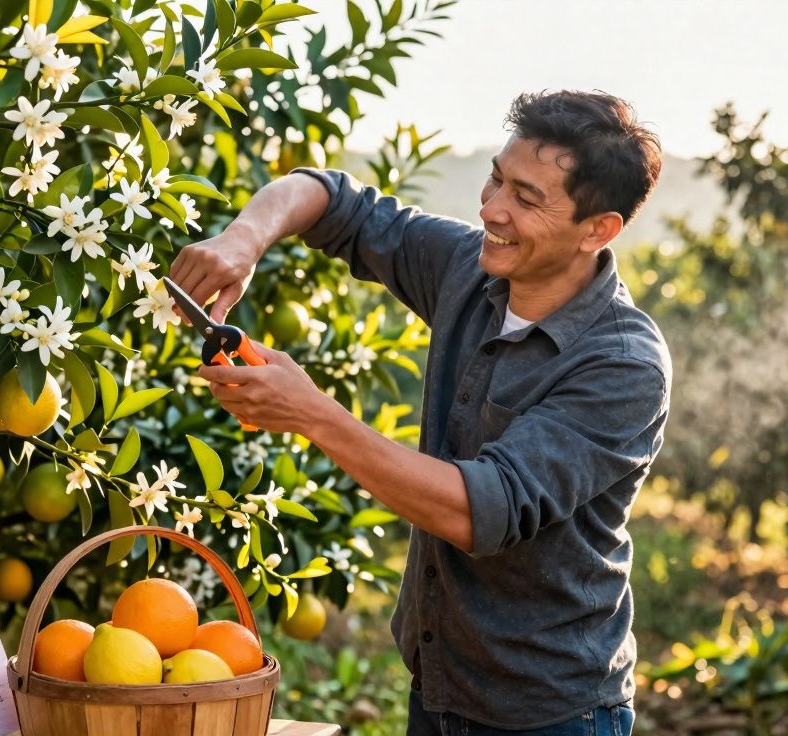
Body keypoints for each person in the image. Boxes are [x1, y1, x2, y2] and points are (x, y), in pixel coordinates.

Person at [169, 90, 671, 735]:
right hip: (438, 687)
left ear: (598, 230)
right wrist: (242, 240)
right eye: (496, 179)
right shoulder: (470, 268)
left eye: (526, 198)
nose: (492, 209)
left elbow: (479, 509)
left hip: (547, 712)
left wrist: (314, 414)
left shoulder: (622, 364)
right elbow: (331, 198)